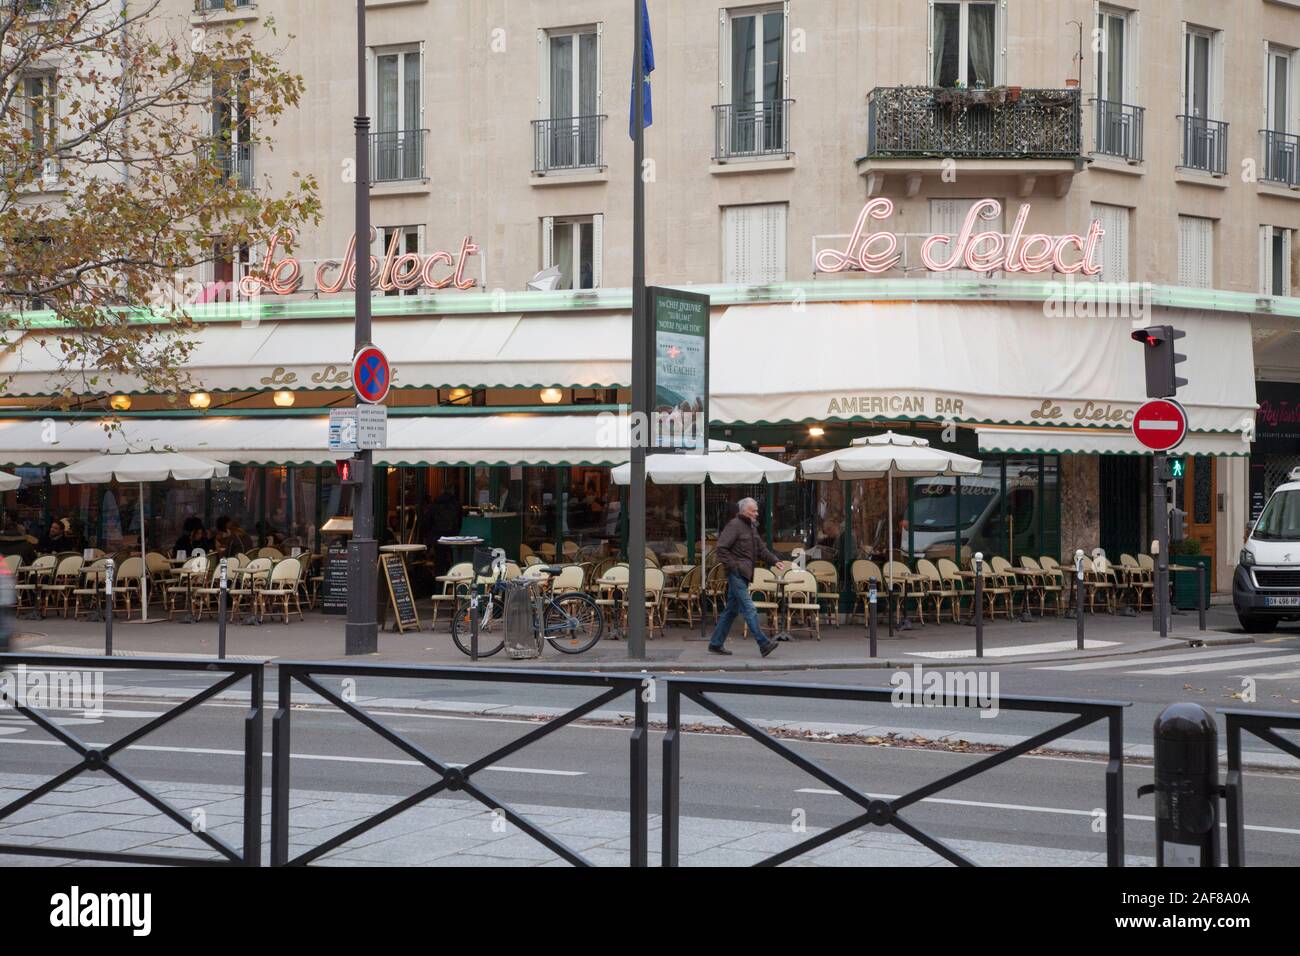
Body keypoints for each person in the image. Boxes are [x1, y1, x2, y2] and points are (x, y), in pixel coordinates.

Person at [708, 498, 787, 657]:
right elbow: (721, 549)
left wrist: (775, 561)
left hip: (744, 574)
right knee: (749, 608)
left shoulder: (751, 527)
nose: (757, 514)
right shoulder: (734, 525)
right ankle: (763, 643)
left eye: (756, 510)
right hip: (737, 574)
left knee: (731, 611)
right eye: (754, 511)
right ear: (744, 511)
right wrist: (734, 566)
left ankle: (715, 644)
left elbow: (761, 549)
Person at [430, 486, 462, 576]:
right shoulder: (456, 504)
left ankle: (439, 587)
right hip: (453, 537)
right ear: (452, 492)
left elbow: (428, 520)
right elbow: (460, 521)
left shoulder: (435, 503)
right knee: (454, 560)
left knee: (439, 563)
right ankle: (452, 581)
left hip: (438, 537)